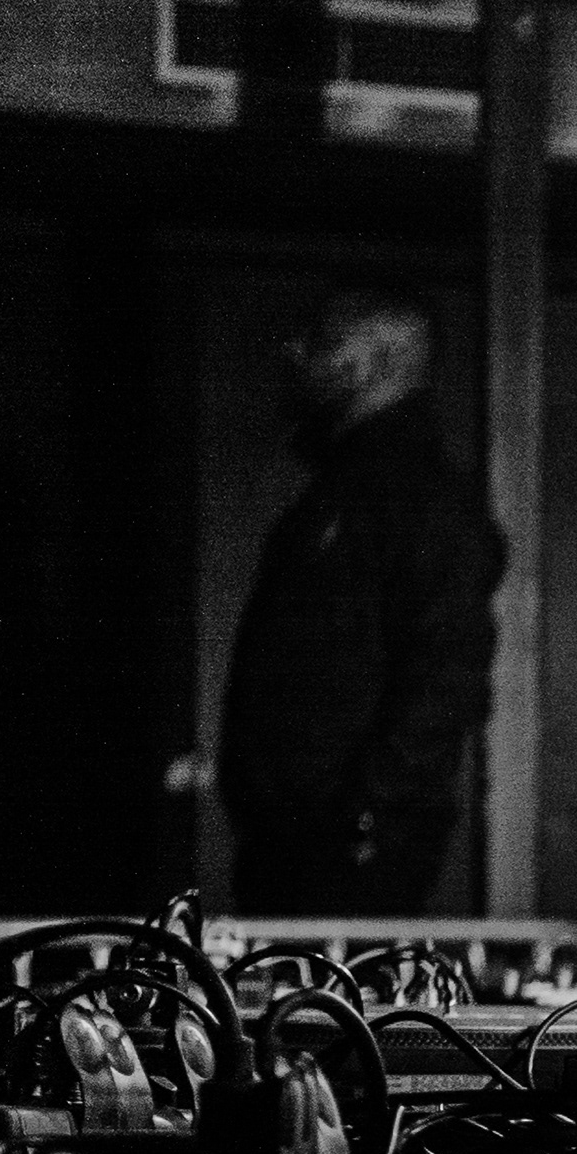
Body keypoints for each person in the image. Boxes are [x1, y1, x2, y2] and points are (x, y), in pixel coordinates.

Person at [220, 283, 505, 912]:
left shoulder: (411, 499)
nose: (295, 352)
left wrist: (368, 815)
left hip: (344, 849)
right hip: (311, 839)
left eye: (324, 340)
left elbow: (445, 675)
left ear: (370, 365)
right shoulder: (353, 492)